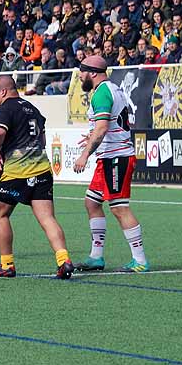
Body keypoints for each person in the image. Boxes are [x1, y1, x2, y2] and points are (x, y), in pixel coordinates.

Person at [0, 75, 74, 279]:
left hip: (16, 172)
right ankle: (64, 260)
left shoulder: (4, 109)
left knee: (0, 214)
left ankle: (7, 264)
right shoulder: (33, 109)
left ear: (3, 91)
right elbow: (41, 138)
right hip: (42, 170)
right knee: (47, 218)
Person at [70, 55, 148, 272]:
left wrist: (84, 155)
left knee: (119, 207)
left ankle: (140, 260)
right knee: (92, 202)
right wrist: (92, 137)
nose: (80, 77)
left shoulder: (102, 92)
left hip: (116, 157)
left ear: (92, 73)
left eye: (82, 72)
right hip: (109, 157)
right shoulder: (112, 88)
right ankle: (96, 256)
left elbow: (103, 128)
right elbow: (107, 126)